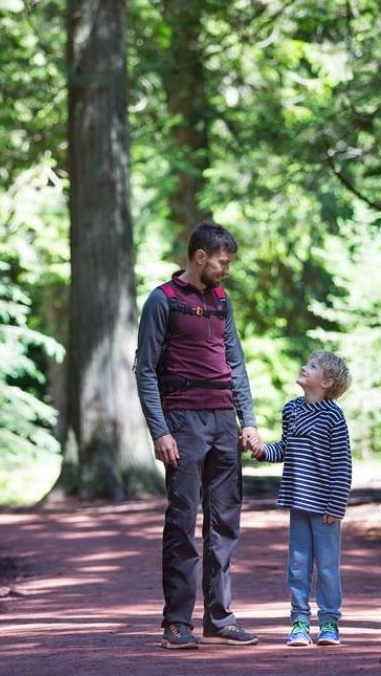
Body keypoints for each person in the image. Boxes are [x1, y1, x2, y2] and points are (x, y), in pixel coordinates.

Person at [135, 222, 262, 650]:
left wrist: (249, 419)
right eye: (223, 262)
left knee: (225, 523)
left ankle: (219, 619)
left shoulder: (222, 301)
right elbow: (146, 370)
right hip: (183, 423)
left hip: (224, 421)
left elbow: (236, 363)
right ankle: (176, 623)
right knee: (183, 521)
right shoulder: (162, 301)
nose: (227, 270)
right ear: (200, 257)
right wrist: (160, 430)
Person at [250, 351, 352, 647]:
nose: (304, 367)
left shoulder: (334, 416)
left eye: (313, 366)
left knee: (328, 566)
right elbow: (285, 449)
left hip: (325, 507)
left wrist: (336, 504)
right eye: (306, 363)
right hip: (298, 501)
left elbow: (342, 464)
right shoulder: (291, 409)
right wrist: (261, 452)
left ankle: (330, 622)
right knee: (298, 565)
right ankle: (299, 623)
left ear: (327, 381)